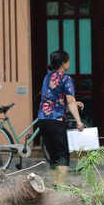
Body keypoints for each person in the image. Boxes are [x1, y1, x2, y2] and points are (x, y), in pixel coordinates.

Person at [37, 50, 85, 185]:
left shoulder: (47, 77)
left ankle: (55, 181)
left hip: (42, 119)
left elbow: (53, 97)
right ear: (63, 63)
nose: (69, 63)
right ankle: (61, 183)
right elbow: (69, 101)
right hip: (57, 121)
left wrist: (75, 102)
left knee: (53, 153)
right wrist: (78, 121)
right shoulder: (66, 79)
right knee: (63, 153)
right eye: (68, 60)